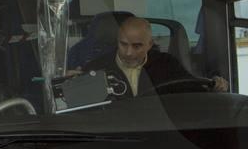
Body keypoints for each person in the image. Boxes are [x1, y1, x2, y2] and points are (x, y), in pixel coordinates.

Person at [85, 16, 227, 98]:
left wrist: (215, 86)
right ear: (117, 41)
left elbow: (193, 92)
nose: (128, 52)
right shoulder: (96, 68)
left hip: (159, 133)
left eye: (137, 46)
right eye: (123, 44)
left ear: (150, 44)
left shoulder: (167, 64)